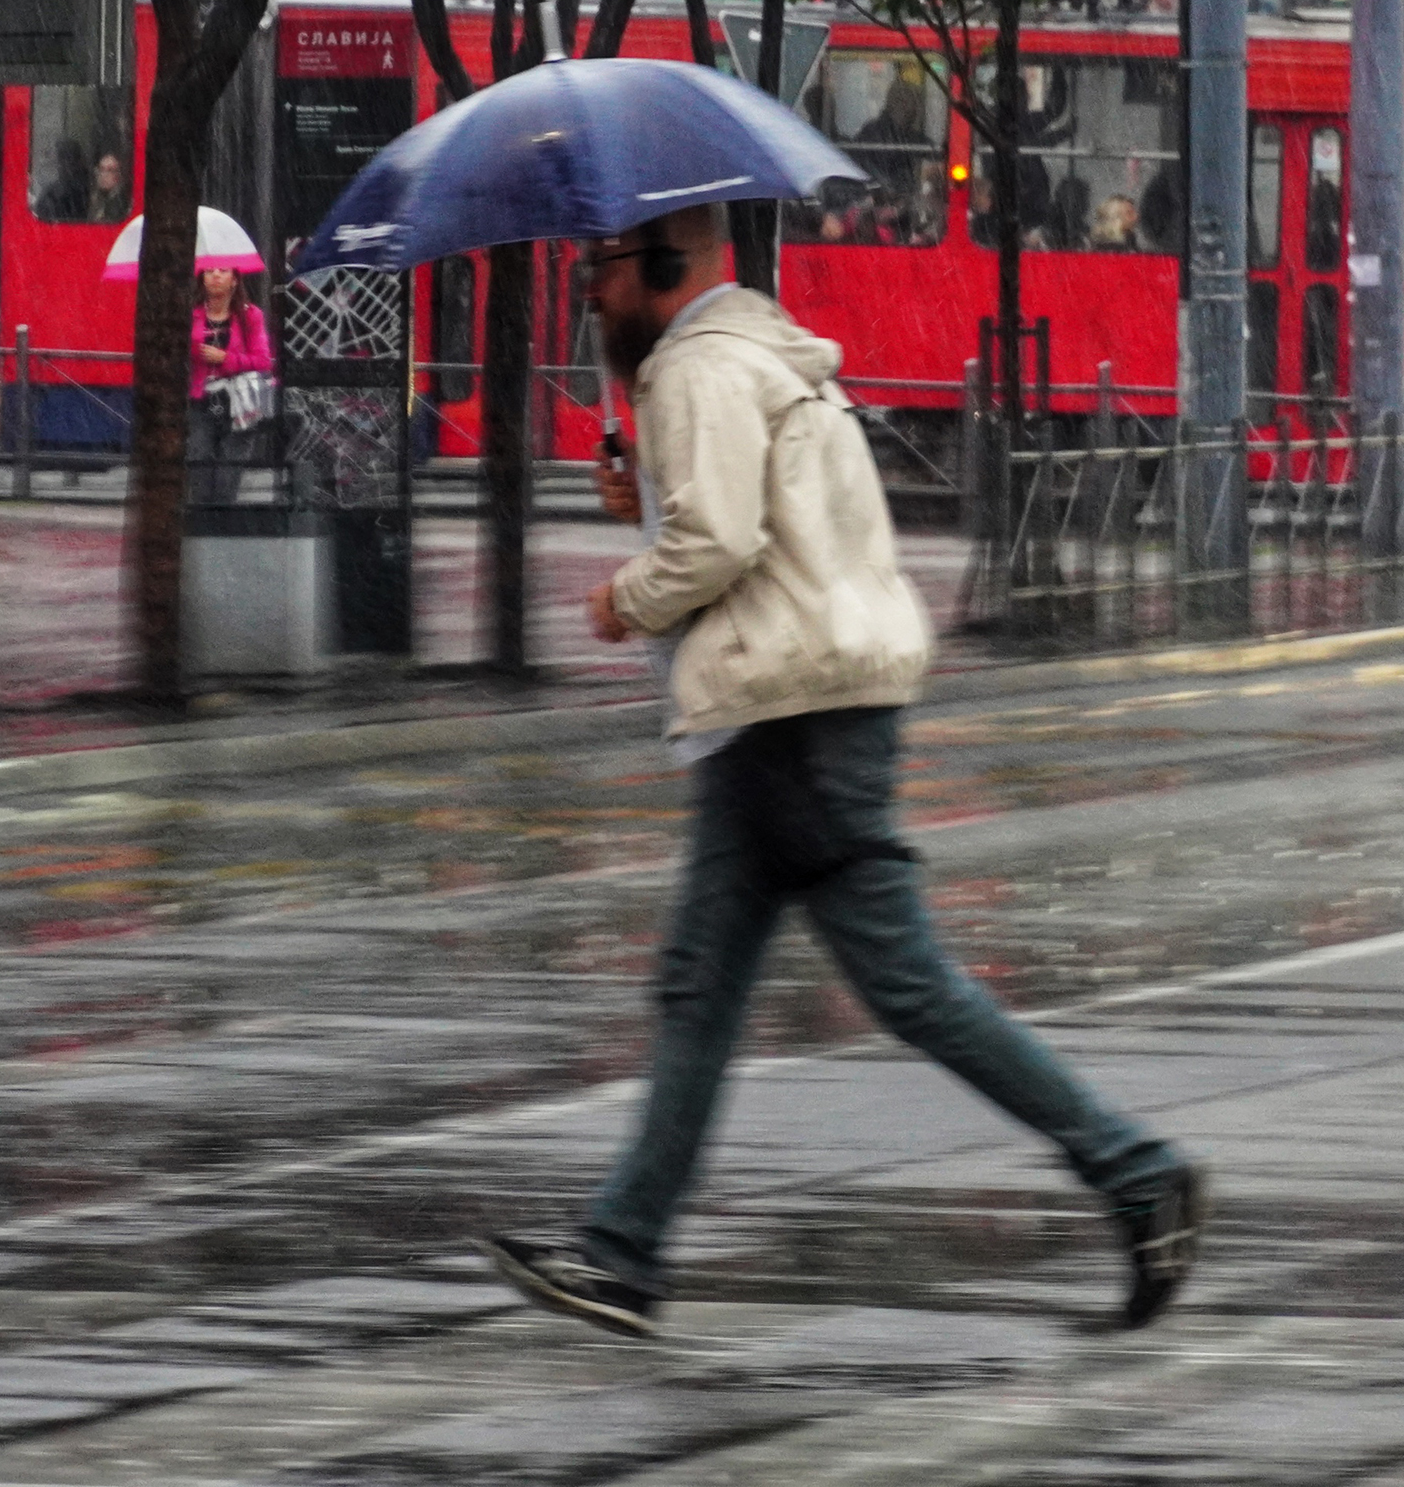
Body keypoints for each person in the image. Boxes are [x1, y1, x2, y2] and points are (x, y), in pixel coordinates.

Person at [480, 204, 1209, 1339]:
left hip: (793, 718)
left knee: (901, 984)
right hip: (801, 706)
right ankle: (622, 1253)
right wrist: (650, 504)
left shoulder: (700, 368)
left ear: (665, 265)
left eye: (603, 267)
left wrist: (623, 596)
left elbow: (716, 544)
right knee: (698, 986)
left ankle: (1137, 1171)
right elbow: (757, 526)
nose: (590, 290)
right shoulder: (768, 357)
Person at [187, 266, 274, 505]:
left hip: (239, 403)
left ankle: (222, 527)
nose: (215, 276)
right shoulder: (190, 315)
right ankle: (202, 526)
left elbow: (262, 360)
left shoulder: (250, 315)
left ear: (235, 280)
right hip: (200, 401)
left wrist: (225, 359)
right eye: (209, 271)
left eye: (223, 271)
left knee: (229, 473)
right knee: (198, 466)